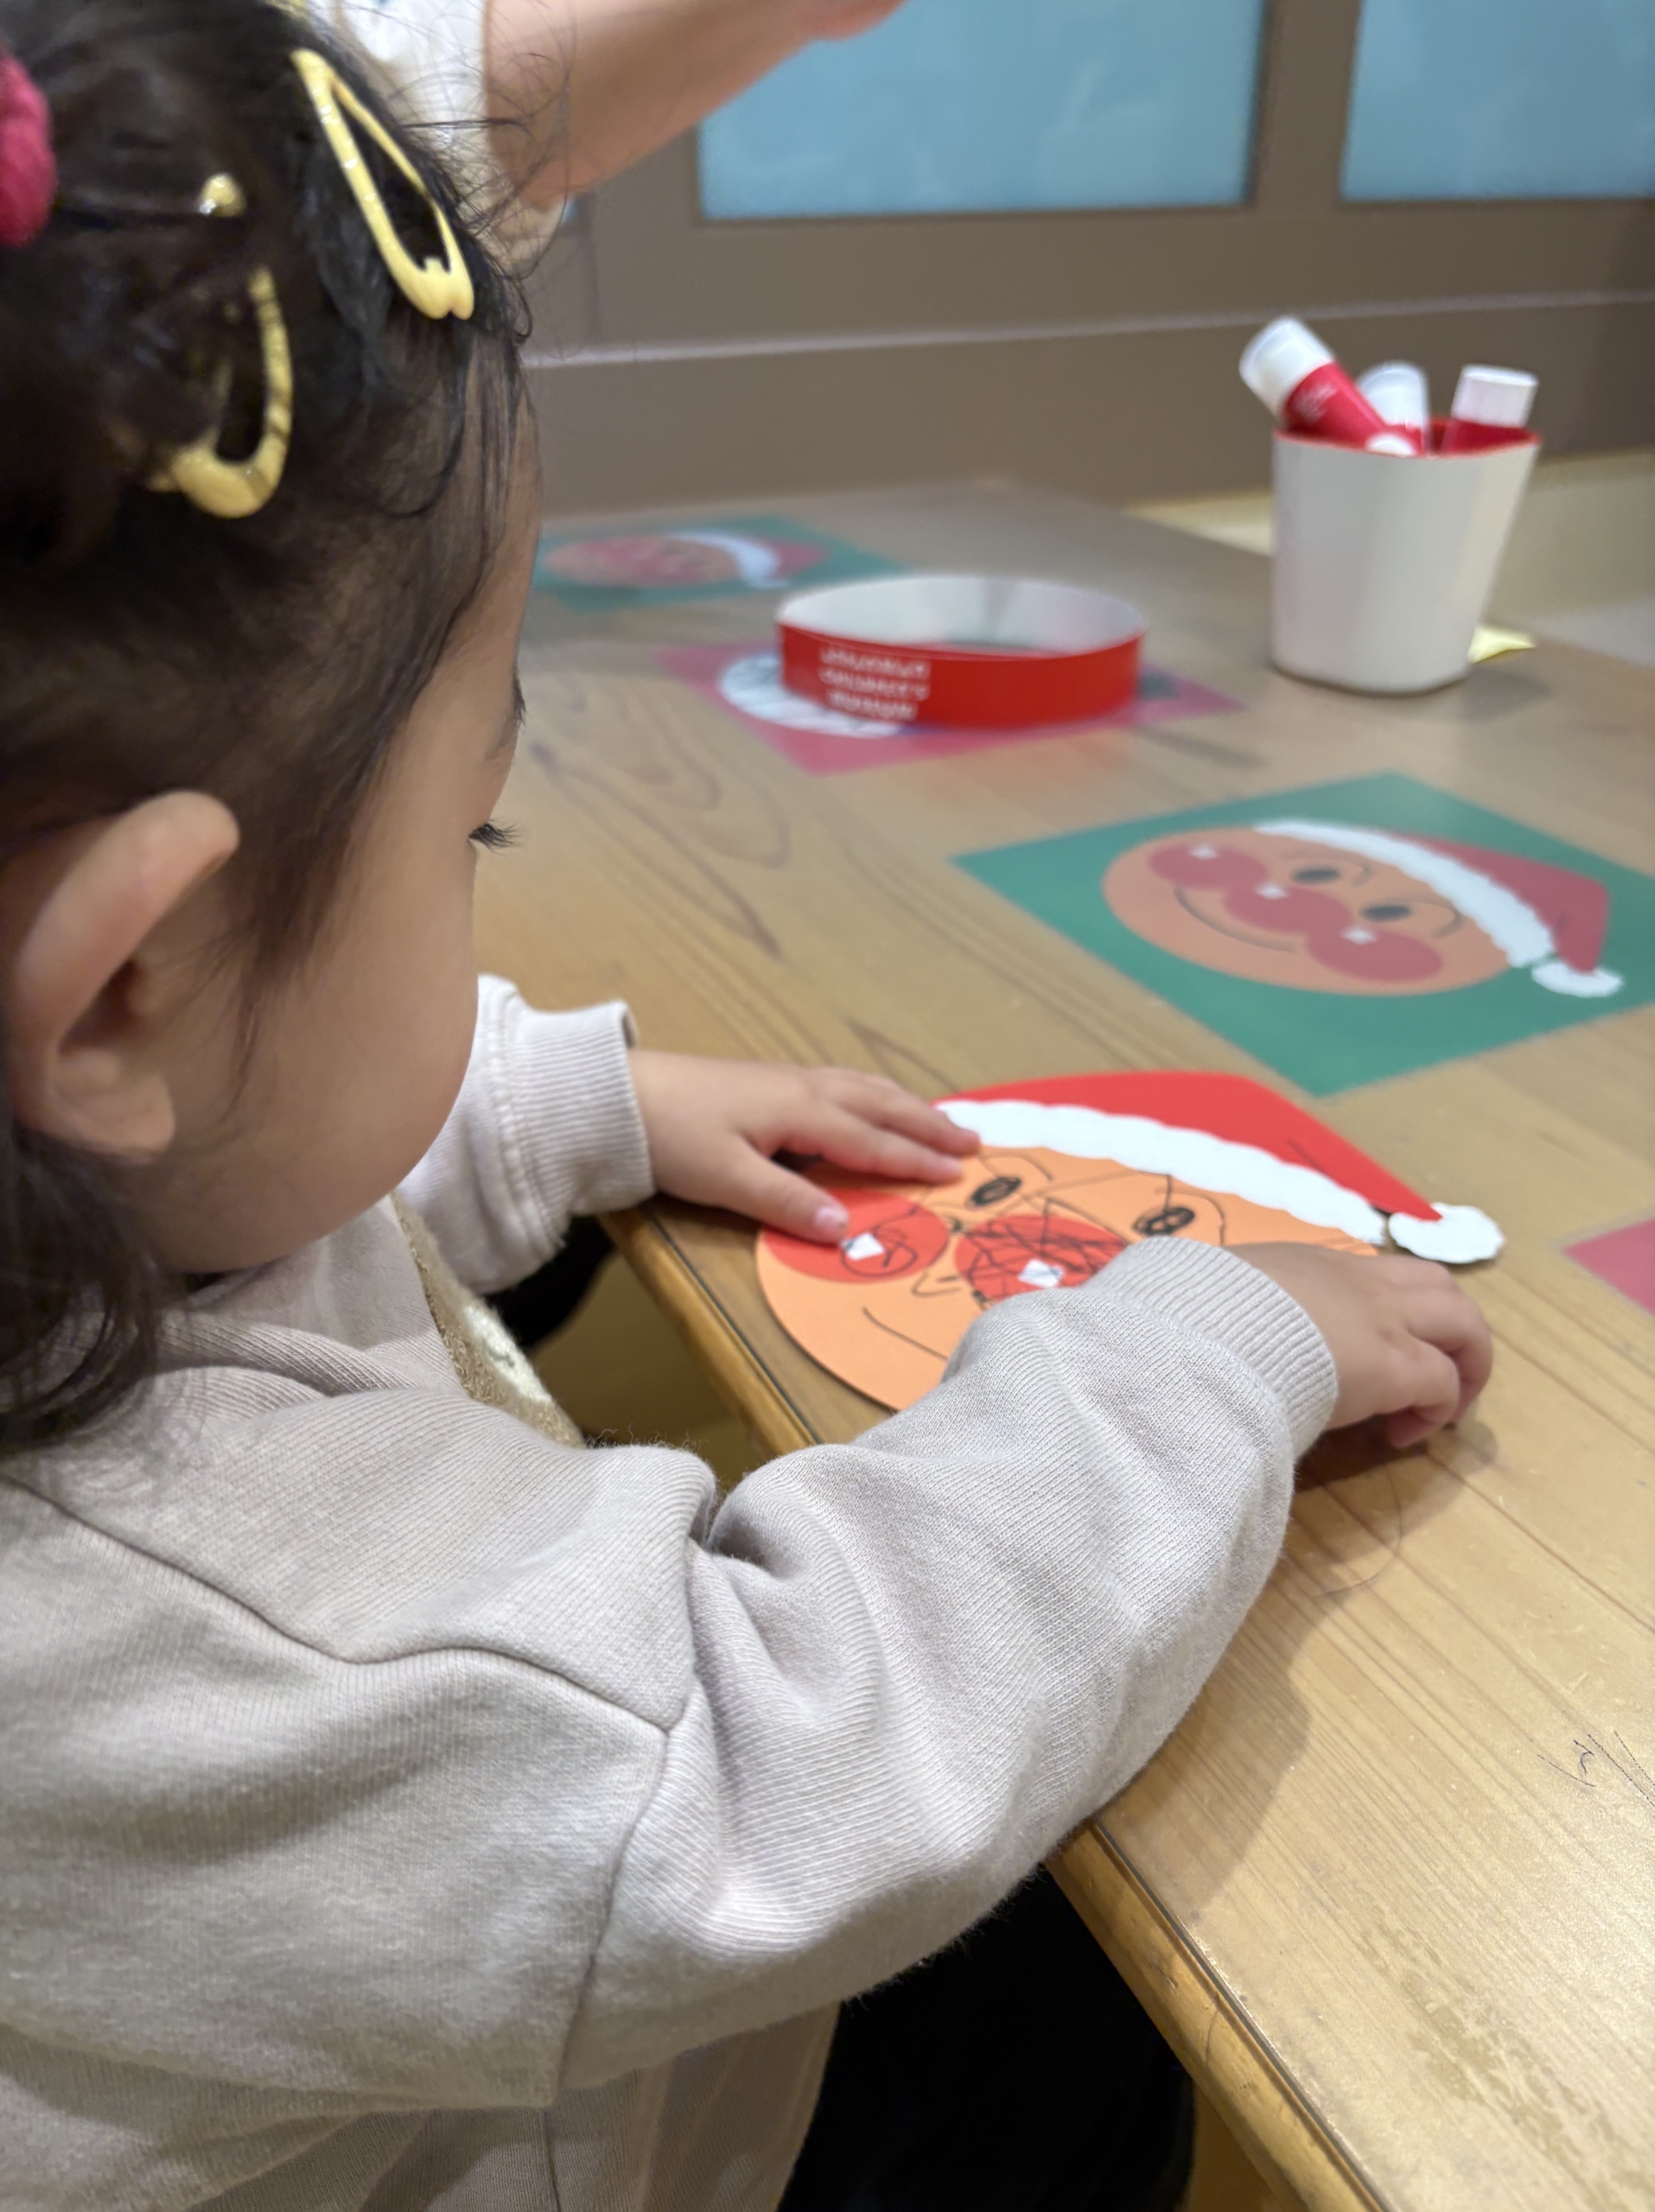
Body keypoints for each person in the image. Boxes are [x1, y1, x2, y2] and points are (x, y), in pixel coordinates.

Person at [0, 5, 1493, 2209]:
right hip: (605, 2123)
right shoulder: (186, 1633)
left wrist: (567, 1097)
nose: (476, 880)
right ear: (125, 982)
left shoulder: (69, 1167)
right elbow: (776, 1745)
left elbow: (237, 1163)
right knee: (1089, 2021)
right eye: (474, 830)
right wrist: (1205, 1347)